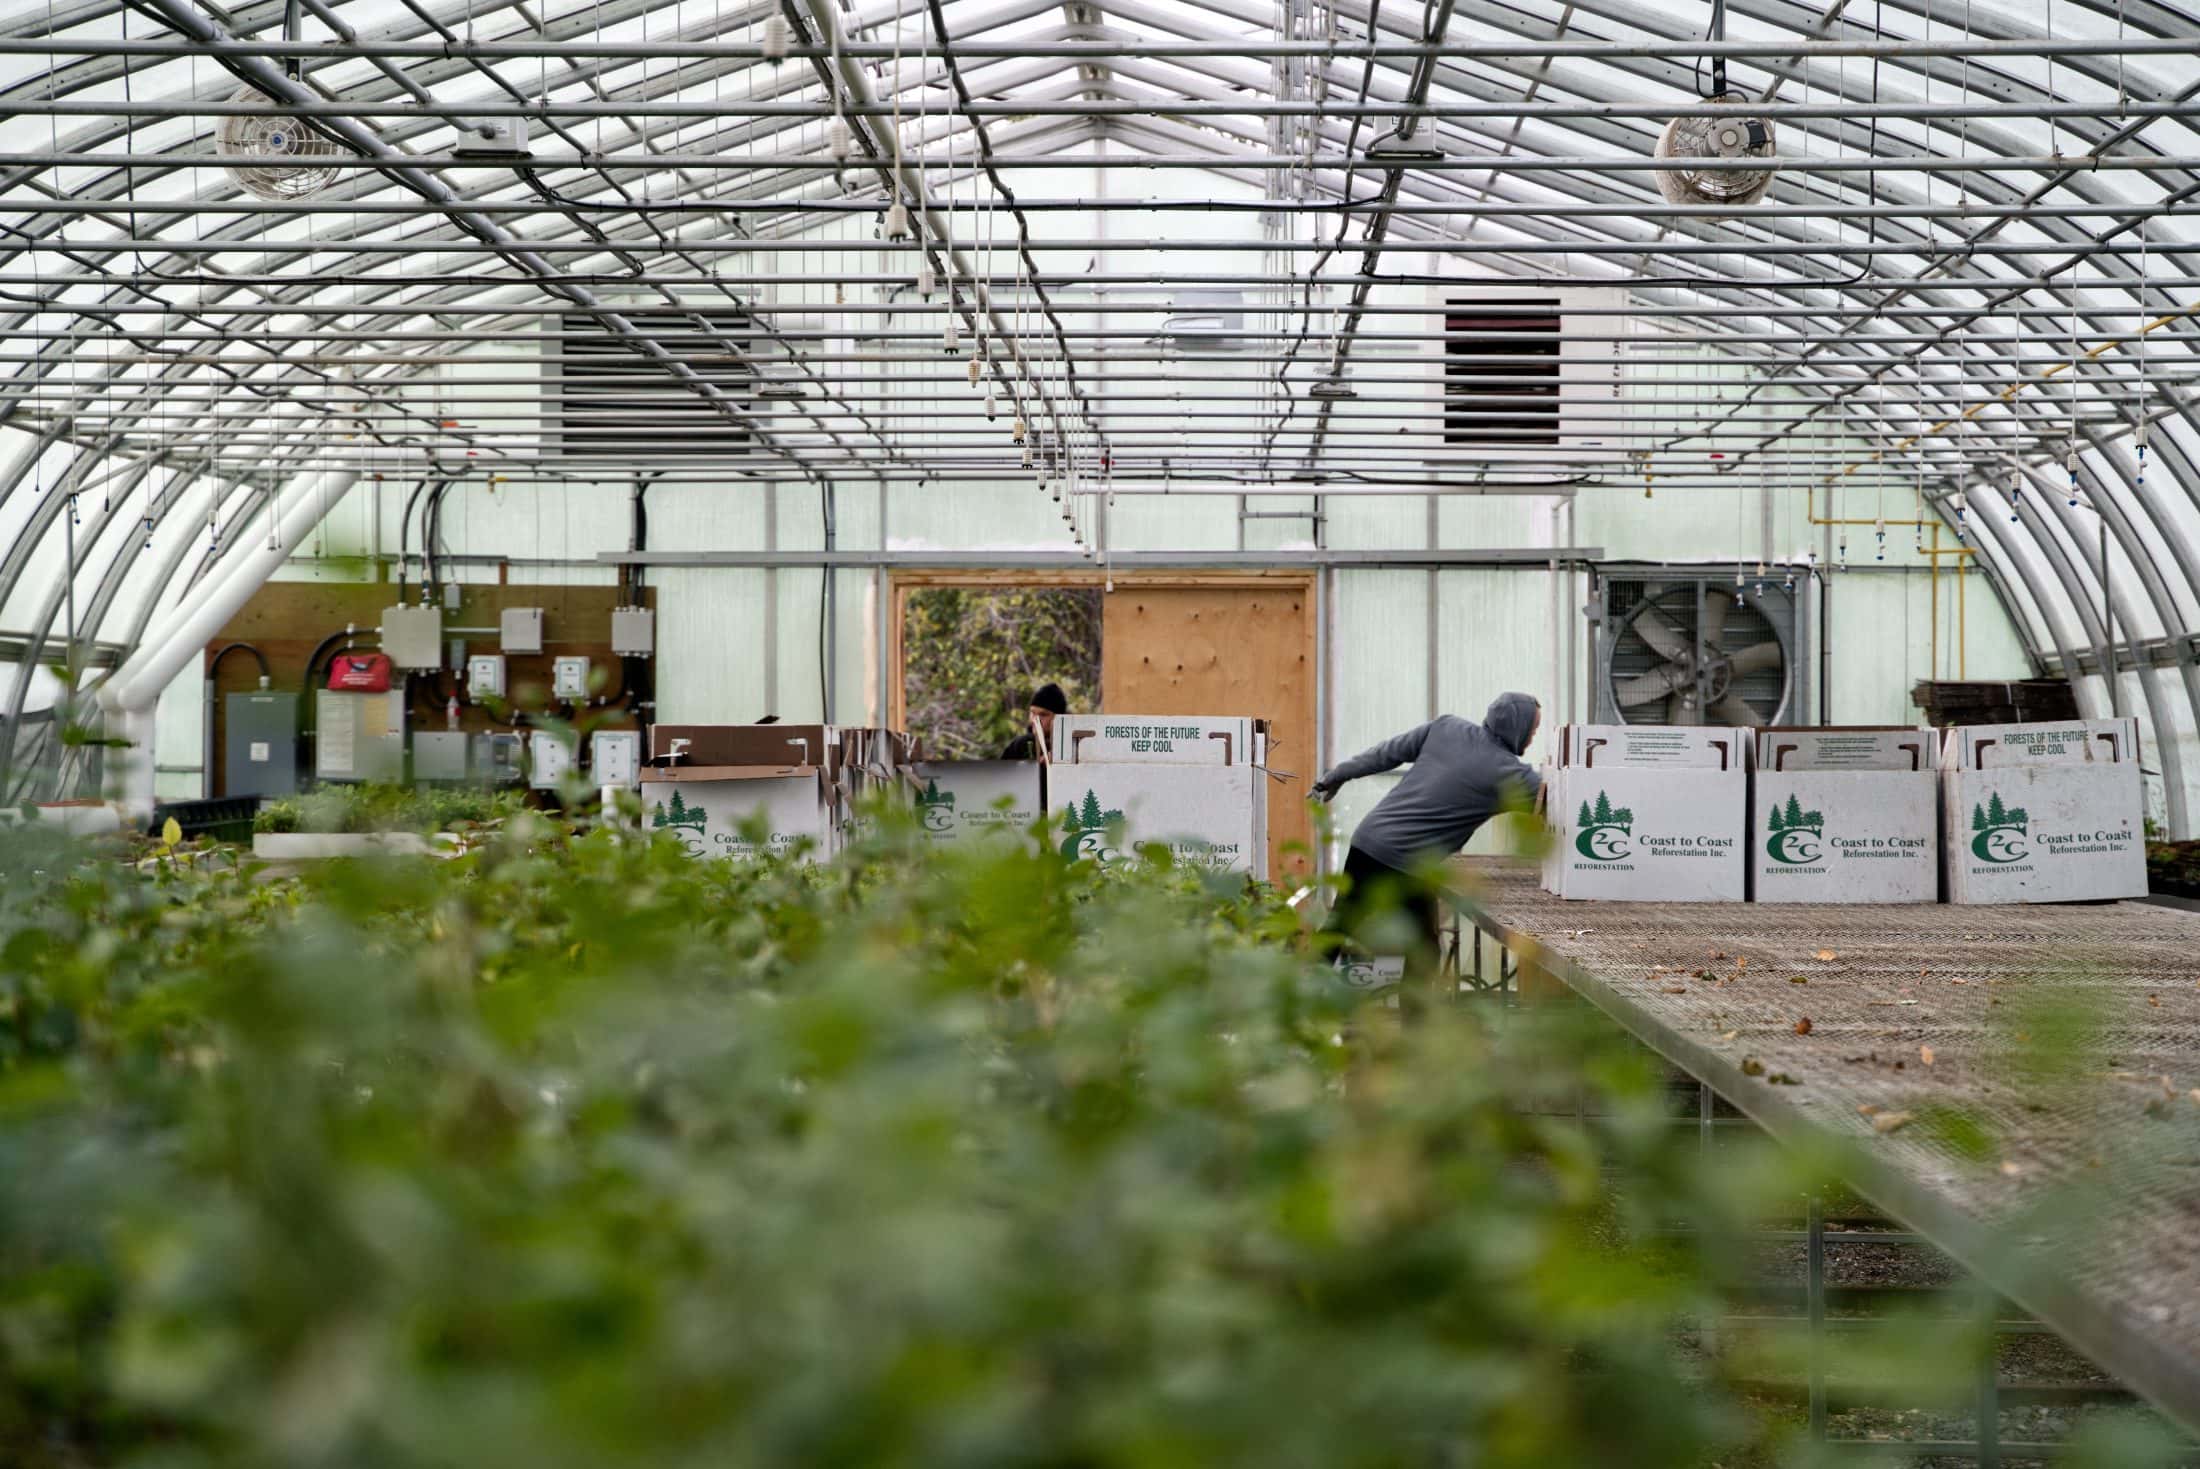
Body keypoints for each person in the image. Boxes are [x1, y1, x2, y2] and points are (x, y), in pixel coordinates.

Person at [1313, 692, 1544, 964]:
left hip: (1370, 839)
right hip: (1408, 863)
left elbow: (1384, 754)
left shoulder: (1446, 728)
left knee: (1339, 926)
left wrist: (1336, 775)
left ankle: (1300, 994)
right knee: (1422, 953)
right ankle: (1416, 1008)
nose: (1533, 737)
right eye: (1533, 729)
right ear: (1520, 728)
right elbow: (1562, 799)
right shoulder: (1511, 774)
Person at [1000, 682, 1069, 761]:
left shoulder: (1072, 747)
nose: (1035, 719)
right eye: (1032, 713)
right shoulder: (1019, 746)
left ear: (1059, 718)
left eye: (1043, 714)